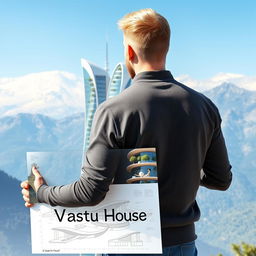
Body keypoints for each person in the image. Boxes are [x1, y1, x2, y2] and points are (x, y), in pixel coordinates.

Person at [21, 8, 232, 256]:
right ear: (166, 48)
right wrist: (181, 165)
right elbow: (220, 180)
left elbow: (91, 191)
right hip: (184, 245)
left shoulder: (114, 111)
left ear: (130, 52)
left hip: (131, 244)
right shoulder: (204, 106)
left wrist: (42, 193)